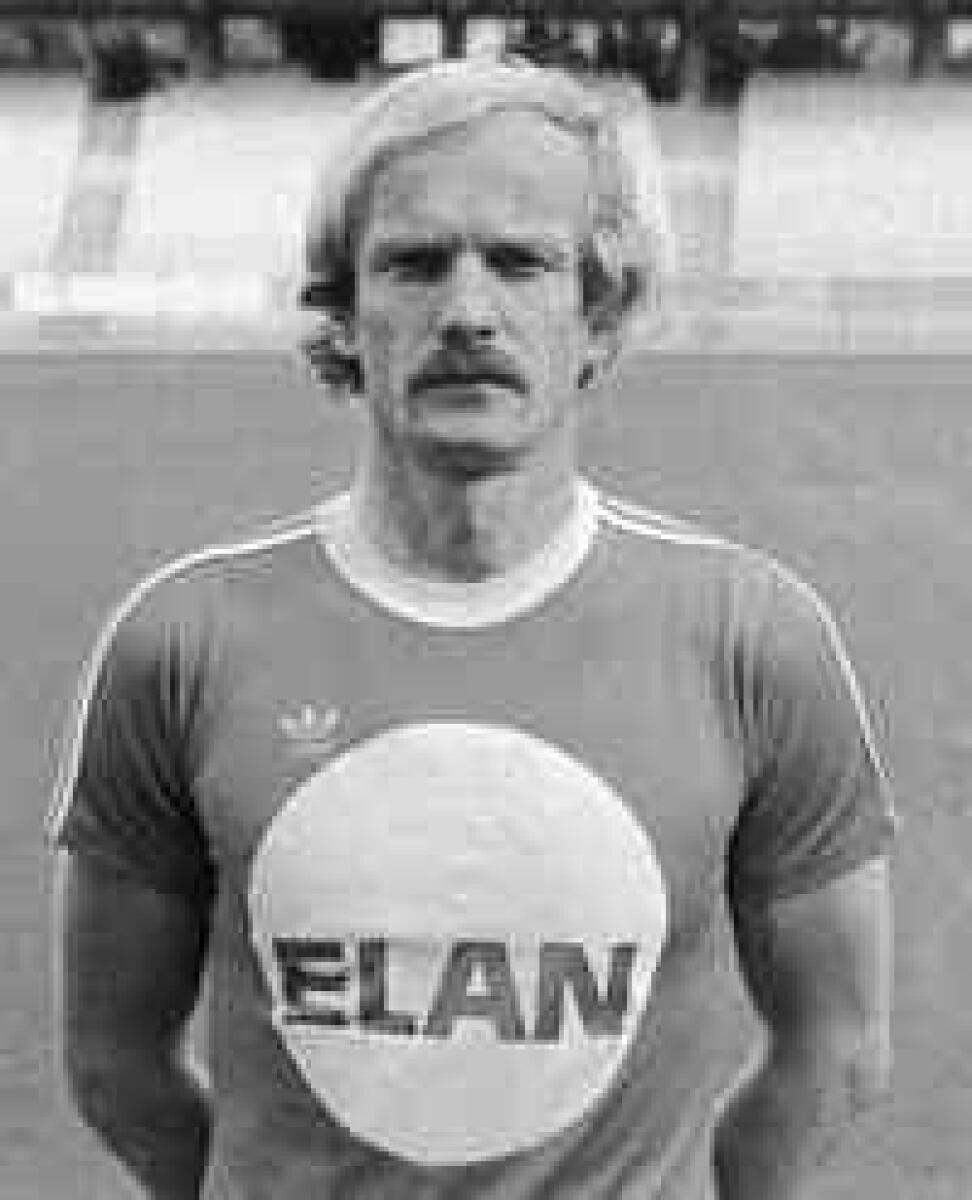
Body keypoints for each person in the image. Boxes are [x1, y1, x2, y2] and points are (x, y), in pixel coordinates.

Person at [49, 56, 896, 1199]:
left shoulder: (755, 641)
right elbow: (113, 1060)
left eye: (520, 261)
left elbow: (837, 1048)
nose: (465, 311)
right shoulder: (181, 644)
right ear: (343, 313)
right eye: (412, 263)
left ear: (597, 316)